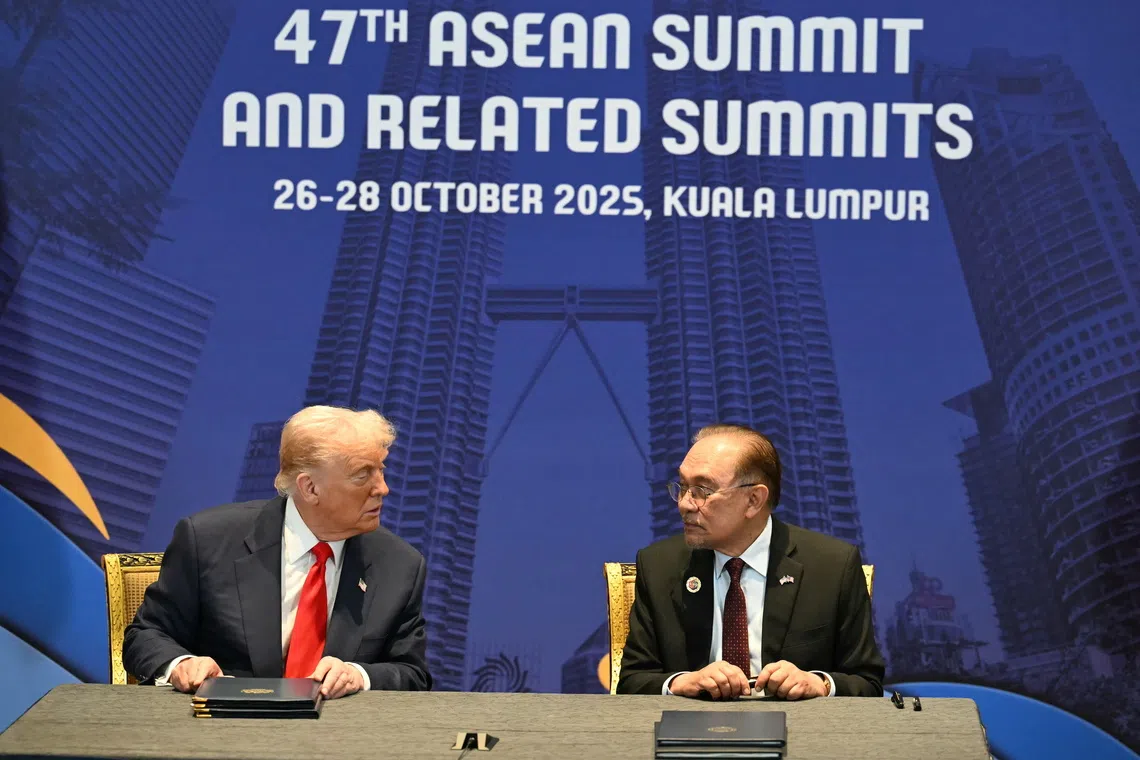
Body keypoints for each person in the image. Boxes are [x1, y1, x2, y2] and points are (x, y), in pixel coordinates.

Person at [123, 405, 431, 698]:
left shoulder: (400, 565)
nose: (382, 488)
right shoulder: (207, 540)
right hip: (225, 724)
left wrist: (358, 675)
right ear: (310, 488)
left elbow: (412, 673)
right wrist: (182, 664)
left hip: (337, 732)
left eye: (380, 470)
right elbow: (146, 635)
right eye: (363, 475)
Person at [617, 423, 884, 699]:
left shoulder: (832, 566)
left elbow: (867, 683)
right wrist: (681, 683)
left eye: (702, 490)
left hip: (798, 723)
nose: (684, 504)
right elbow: (632, 682)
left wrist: (820, 683)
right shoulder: (659, 566)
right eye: (683, 487)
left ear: (754, 499)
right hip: (694, 723)